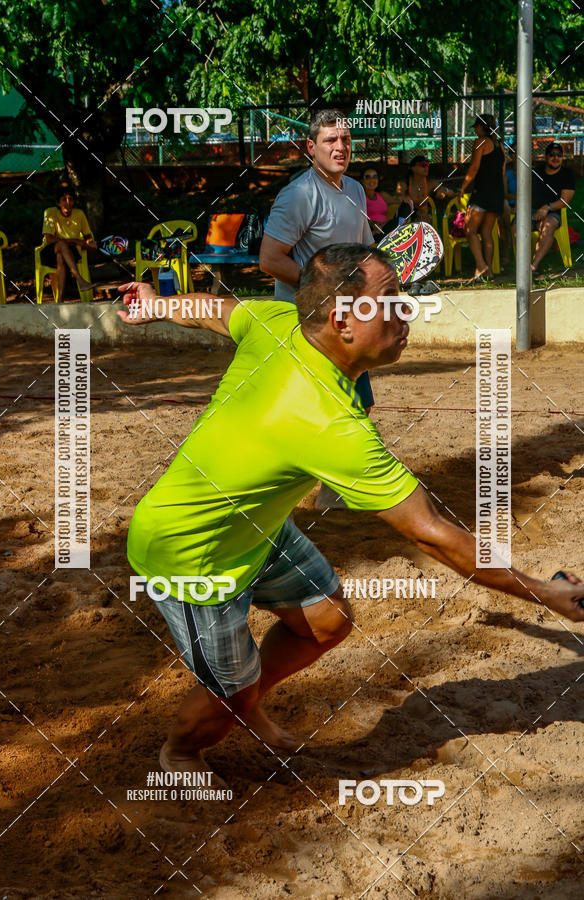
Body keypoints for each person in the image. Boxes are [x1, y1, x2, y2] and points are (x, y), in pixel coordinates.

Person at [118, 245, 584, 783]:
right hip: (189, 553)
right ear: (341, 320)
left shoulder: (278, 321)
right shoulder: (328, 424)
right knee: (229, 689)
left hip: (253, 527)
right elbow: (431, 535)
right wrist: (543, 592)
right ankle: (180, 756)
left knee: (326, 620)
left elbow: (220, 311)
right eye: (389, 301)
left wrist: (157, 303)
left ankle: (247, 704)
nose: (406, 312)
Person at [259, 108, 375, 507]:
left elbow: (363, 253)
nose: (339, 147)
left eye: (344, 139)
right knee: (315, 408)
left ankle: (331, 491)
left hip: (345, 317)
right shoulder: (298, 195)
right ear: (311, 147)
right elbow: (270, 259)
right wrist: (324, 290)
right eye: (330, 140)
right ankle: (284, 491)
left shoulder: (356, 191)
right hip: (305, 323)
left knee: (357, 401)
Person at [460, 114, 506, 281]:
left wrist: (463, 186)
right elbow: (502, 172)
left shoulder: (480, 142)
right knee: (487, 232)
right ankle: (489, 272)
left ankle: (482, 266)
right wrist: (504, 194)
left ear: (482, 127)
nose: (475, 129)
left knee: (469, 230)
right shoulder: (499, 145)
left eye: (476, 126)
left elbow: (474, 167)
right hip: (497, 192)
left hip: (482, 192)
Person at [41, 184, 95, 301]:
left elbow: (87, 235)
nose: (67, 202)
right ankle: (80, 280)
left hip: (71, 252)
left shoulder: (79, 214)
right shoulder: (50, 213)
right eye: (64, 200)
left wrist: (89, 242)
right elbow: (49, 239)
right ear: (58, 203)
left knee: (61, 256)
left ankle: (60, 300)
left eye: (70, 199)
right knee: (61, 245)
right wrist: (74, 240)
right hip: (50, 252)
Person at [529, 142, 575, 275]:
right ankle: (521, 265)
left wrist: (546, 207)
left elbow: (564, 201)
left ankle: (533, 266)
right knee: (516, 228)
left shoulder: (567, 174)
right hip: (531, 212)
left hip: (553, 213)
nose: (556, 157)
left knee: (548, 225)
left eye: (559, 155)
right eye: (552, 154)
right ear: (545, 157)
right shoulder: (536, 172)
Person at [397, 155, 456, 225]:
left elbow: (450, 192)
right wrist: (417, 212)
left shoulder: (430, 183)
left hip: (426, 217)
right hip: (407, 218)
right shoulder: (404, 184)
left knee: (425, 218)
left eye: (427, 165)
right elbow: (399, 203)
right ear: (413, 168)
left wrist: (443, 191)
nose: (426, 167)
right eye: (423, 165)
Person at [360, 167, 396, 236]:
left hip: (386, 228)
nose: (372, 180)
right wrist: (373, 224)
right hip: (369, 231)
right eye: (367, 177)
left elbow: (400, 200)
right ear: (362, 180)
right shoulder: (360, 197)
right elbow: (358, 217)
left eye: (375, 177)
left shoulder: (382, 195)